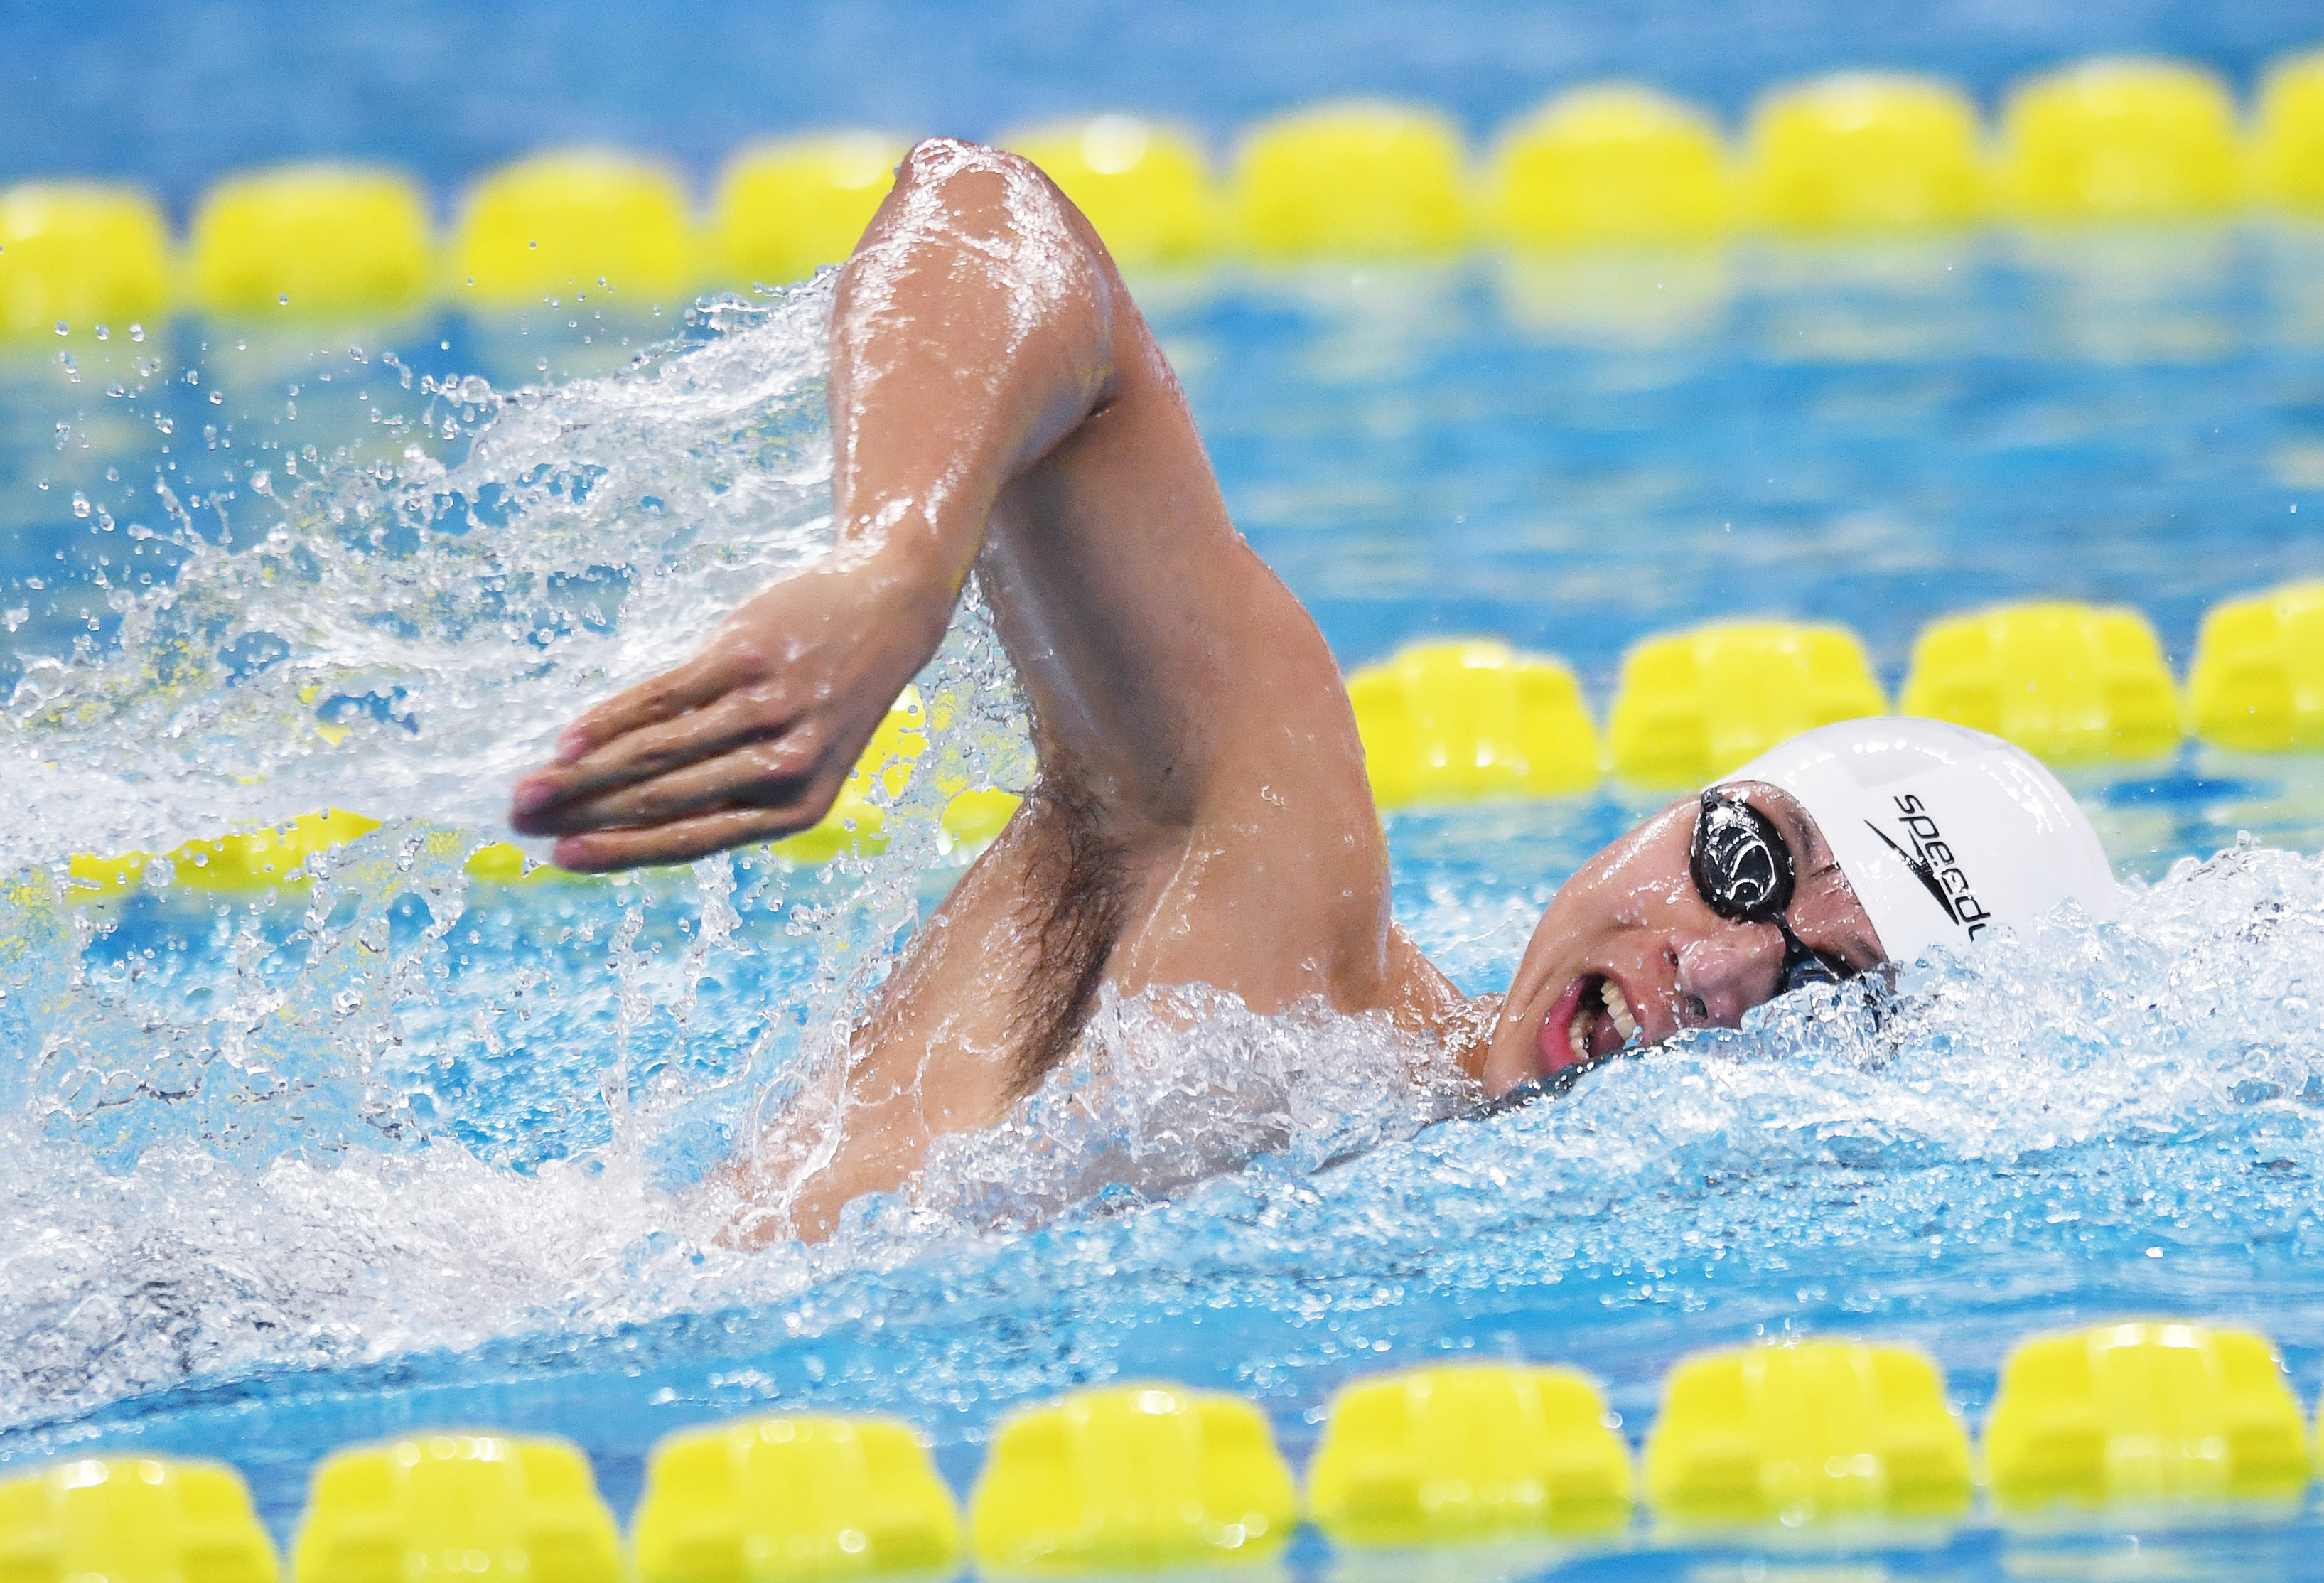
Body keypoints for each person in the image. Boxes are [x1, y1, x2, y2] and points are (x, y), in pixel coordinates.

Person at [508, 139, 2122, 1237]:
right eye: (1747, 860)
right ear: (1664, 815)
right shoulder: (1275, 896)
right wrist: (898, 564)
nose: (1709, 968)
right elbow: (992, 214)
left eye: (1832, 994)